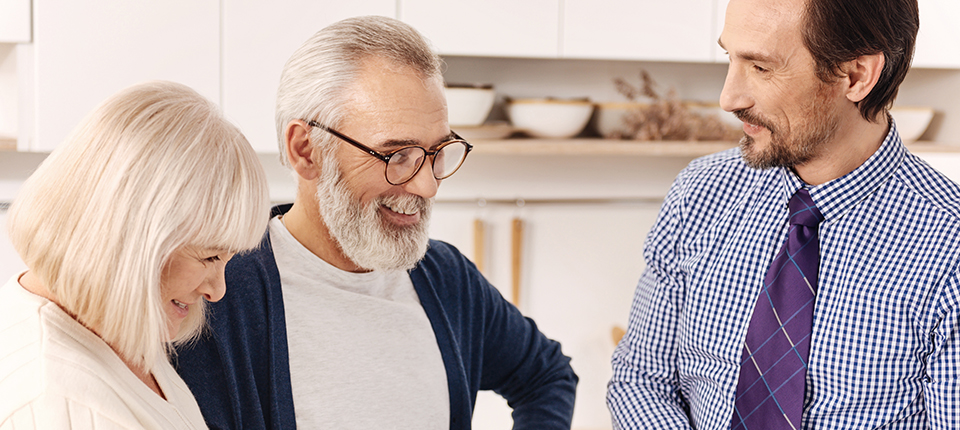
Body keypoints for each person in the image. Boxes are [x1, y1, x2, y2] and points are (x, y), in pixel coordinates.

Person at [174, 15, 577, 430]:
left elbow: (546, 375)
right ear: (306, 150)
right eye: (396, 155)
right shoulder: (216, 293)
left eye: (437, 152)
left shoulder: (447, 279)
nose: (427, 186)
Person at [608, 0, 960, 428]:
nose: (728, 98)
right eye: (730, 57)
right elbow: (641, 380)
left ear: (856, 75)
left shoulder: (950, 246)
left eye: (760, 67)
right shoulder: (699, 193)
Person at [0, 81, 270, 428]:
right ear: (130, 236)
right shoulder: (61, 404)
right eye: (209, 258)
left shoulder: (110, 331)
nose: (217, 291)